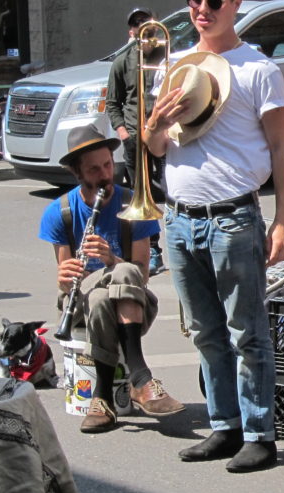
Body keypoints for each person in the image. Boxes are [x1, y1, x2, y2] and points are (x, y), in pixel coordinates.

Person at [144, 0, 284, 473]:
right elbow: (159, 148)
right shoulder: (176, 66)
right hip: (179, 217)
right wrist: (153, 125)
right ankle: (224, 425)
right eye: (194, 1)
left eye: (212, 1)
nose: (202, 10)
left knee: (247, 332)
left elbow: (281, 150)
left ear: (235, 4)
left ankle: (259, 433)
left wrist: (283, 220)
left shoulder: (259, 68)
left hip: (233, 217)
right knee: (206, 333)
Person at [38, 125, 183, 434]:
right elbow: (67, 282)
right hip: (80, 300)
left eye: (107, 165)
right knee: (103, 291)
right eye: (94, 169)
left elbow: (141, 274)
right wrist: (64, 278)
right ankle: (141, 378)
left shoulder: (133, 203)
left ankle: (102, 398)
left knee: (120, 277)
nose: (105, 174)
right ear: (78, 173)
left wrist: (110, 260)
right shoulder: (59, 212)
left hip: (130, 299)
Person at [107, 6, 167, 275]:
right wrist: (123, 132)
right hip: (134, 135)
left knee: (170, 188)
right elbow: (112, 103)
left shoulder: (166, 56)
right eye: (137, 24)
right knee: (141, 197)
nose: (142, 28)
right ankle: (151, 249)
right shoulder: (123, 61)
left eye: (147, 22)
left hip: (163, 134)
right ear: (131, 31)